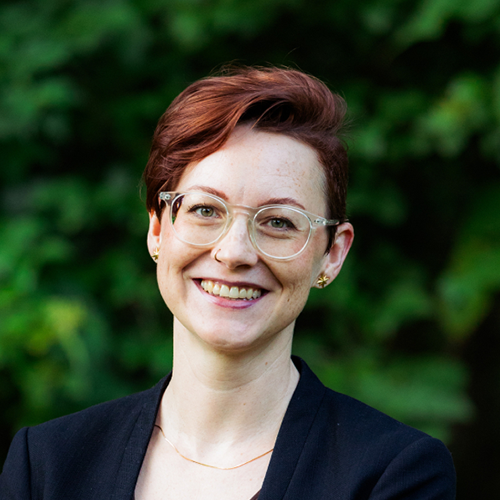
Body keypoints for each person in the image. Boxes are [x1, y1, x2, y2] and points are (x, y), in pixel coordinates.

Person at [0, 66, 455, 499]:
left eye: (279, 221)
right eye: (204, 210)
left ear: (332, 254)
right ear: (158, 228)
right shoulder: (46, 463)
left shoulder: (394, 475)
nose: (234, 252)